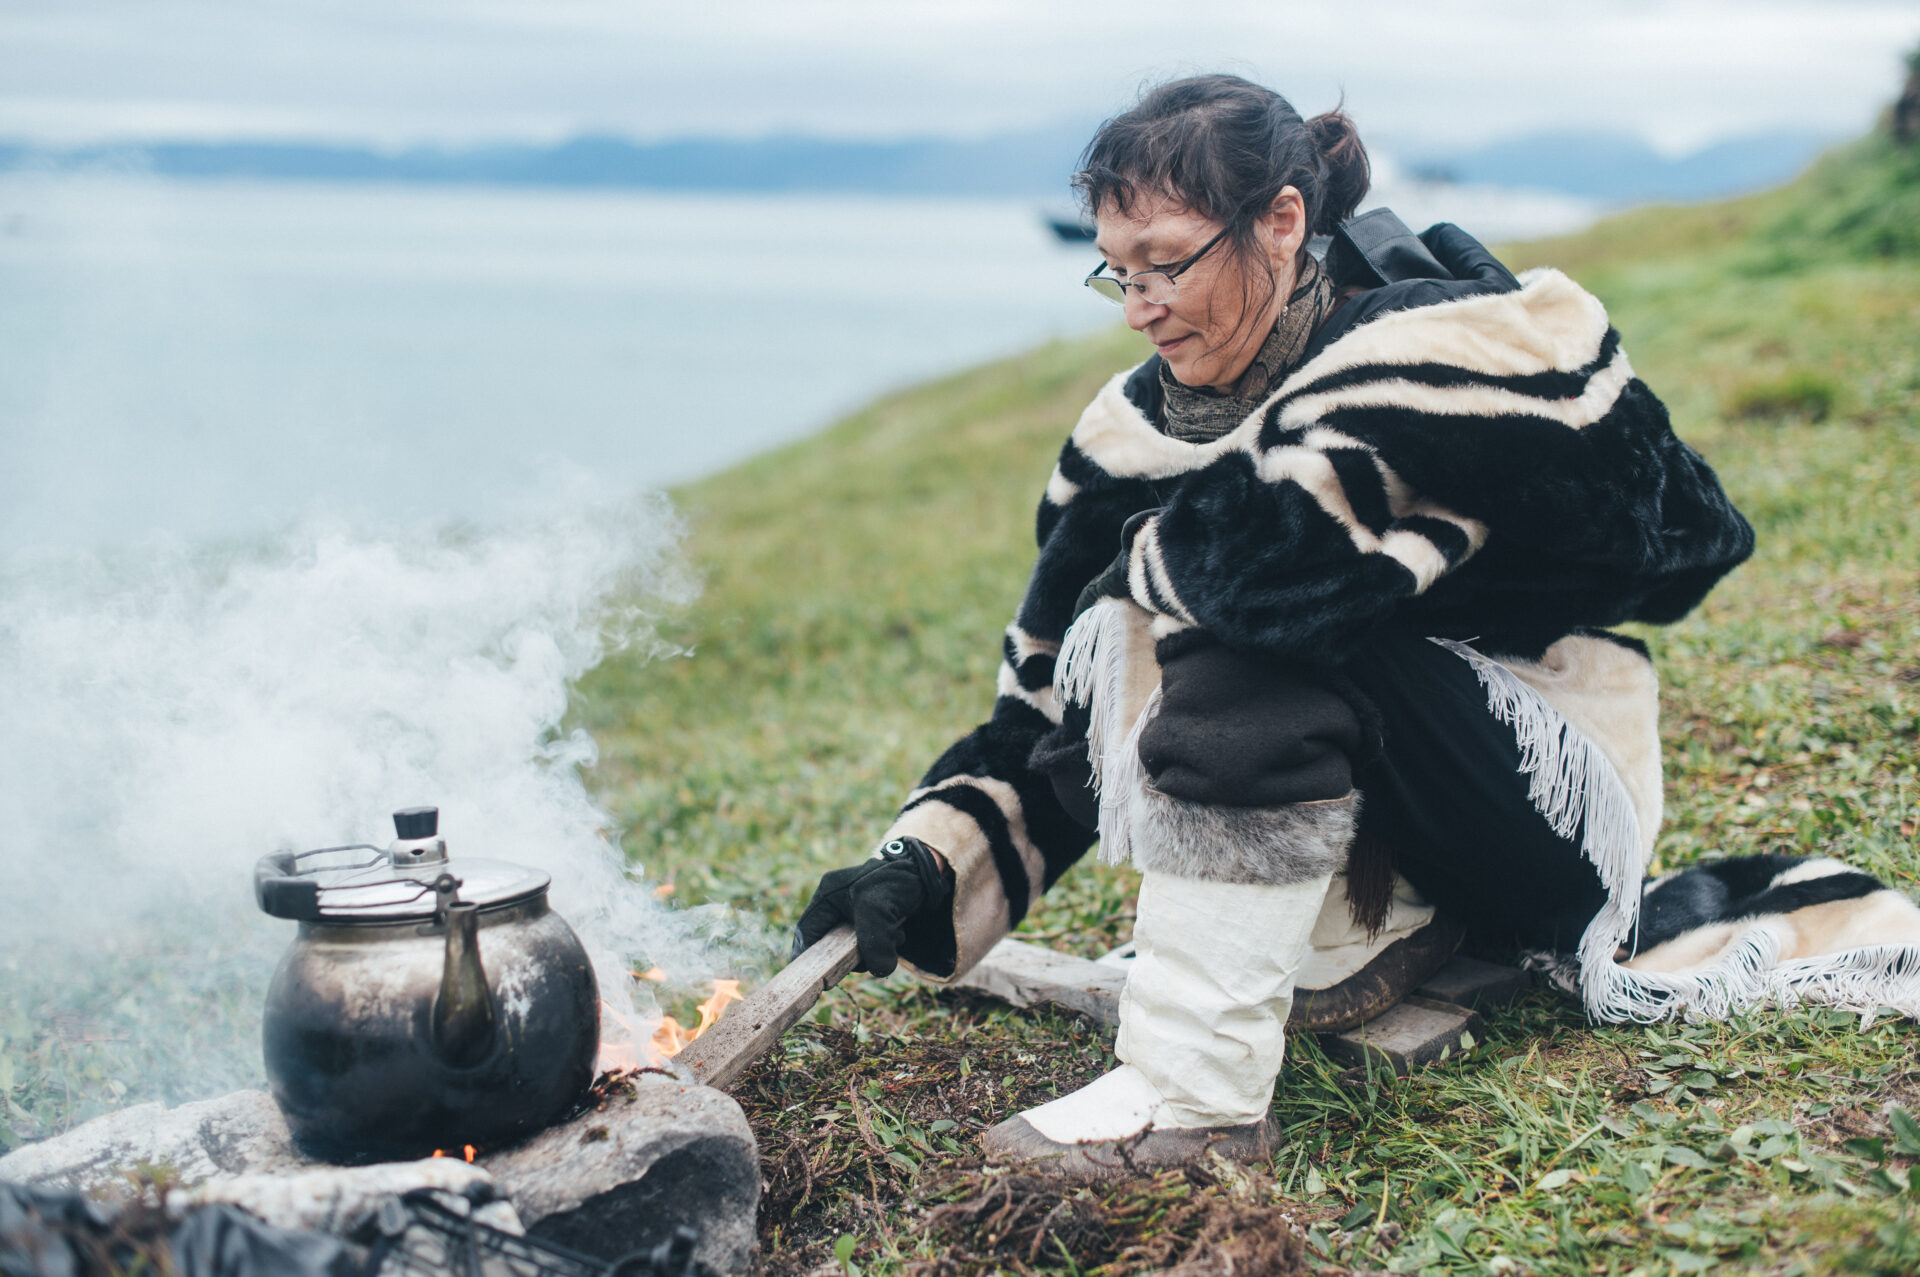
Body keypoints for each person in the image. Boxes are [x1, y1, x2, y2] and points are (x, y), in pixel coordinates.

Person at [793, 75, 1920, 1180]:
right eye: (1117, 274)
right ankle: (1360, 923)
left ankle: (1193, 1094)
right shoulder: (1131, 429)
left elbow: (1688, 538)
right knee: (1134, 625)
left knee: (1234, 614)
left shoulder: (1469, 337)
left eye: (1170, 263)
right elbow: (1045, 701)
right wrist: (925, 861)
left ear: (1282, 221)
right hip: (1376, 830)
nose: (1141, 307)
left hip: (1539, 811)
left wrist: (1160, 559)